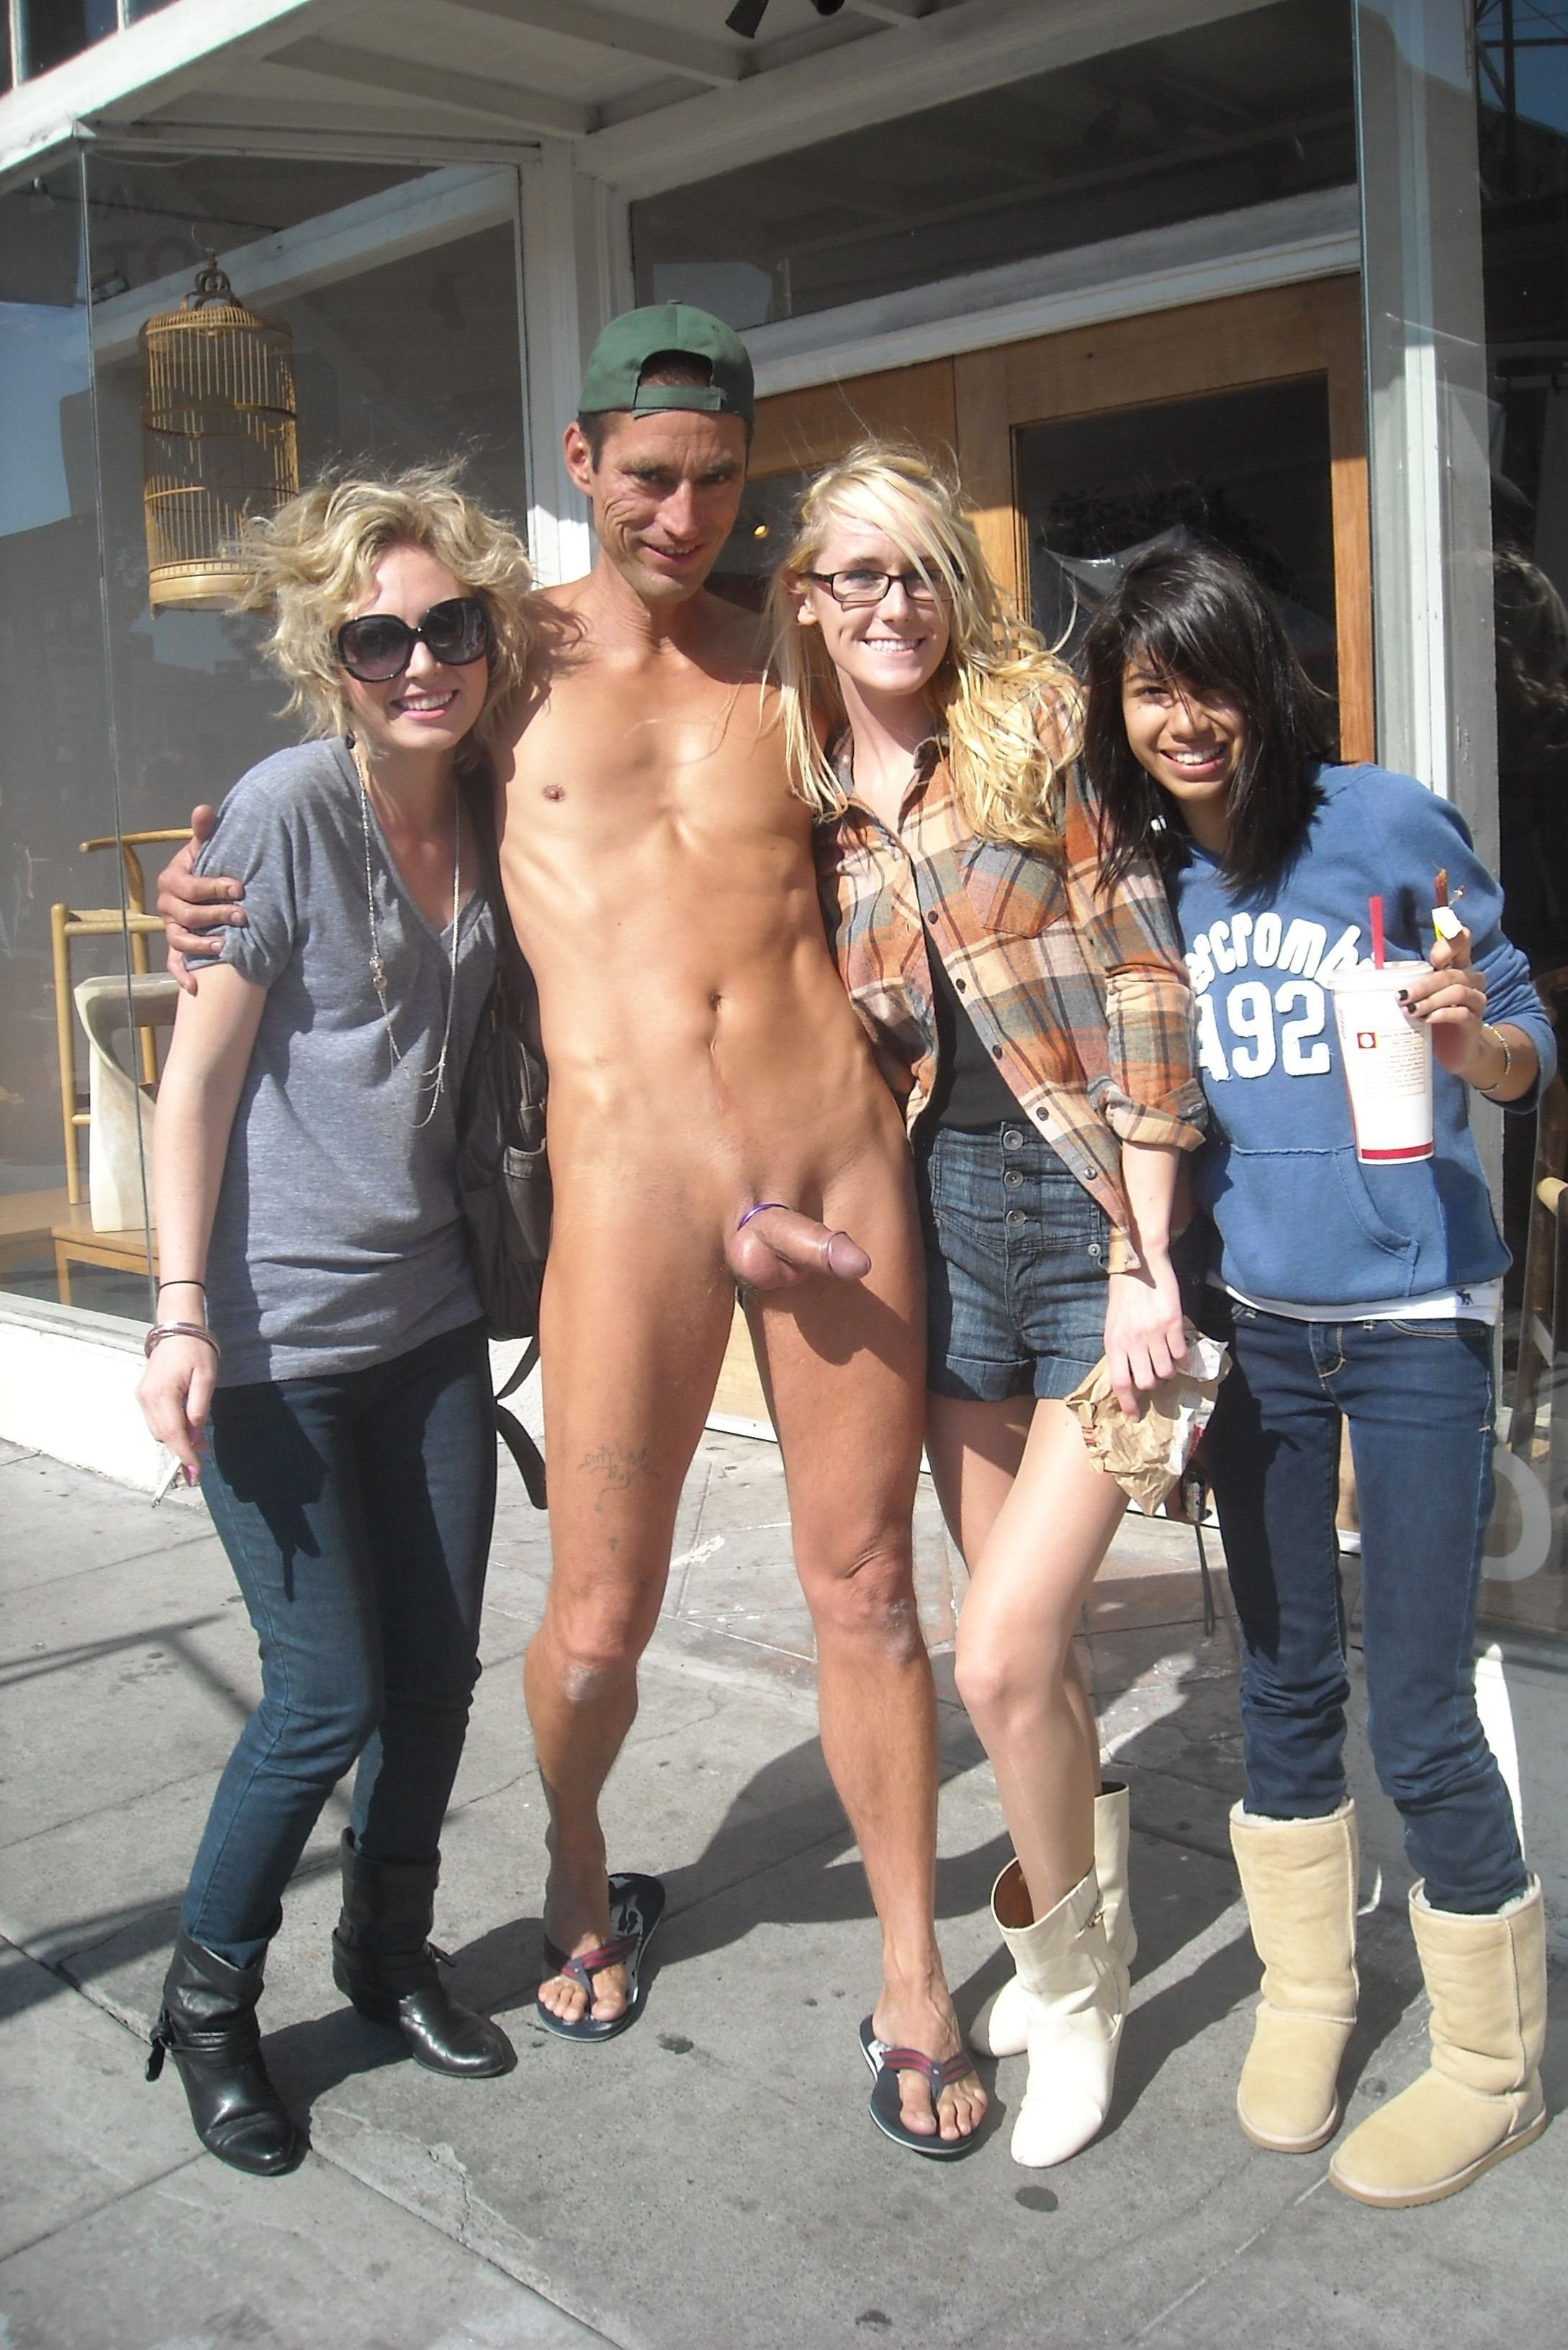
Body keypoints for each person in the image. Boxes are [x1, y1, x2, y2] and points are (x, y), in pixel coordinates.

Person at [157, 306, 986, 2153]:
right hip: (632, 1183)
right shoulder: (494, 660)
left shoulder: (799, 644)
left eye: (719, 479)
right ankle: (579, 1852)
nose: (685, 513)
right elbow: (348, 783)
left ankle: (915, 1972)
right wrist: (196, 883)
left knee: (869, 1588)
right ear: (582, 461)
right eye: (651, 476)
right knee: (599, 1626)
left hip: (833, 1155)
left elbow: (989, 769)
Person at [1081, 536, 1556, 2210]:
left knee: (1418, 1705)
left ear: (1268, 686)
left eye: (1211, 682)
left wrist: (1475, 1046)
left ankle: (1494, 2068)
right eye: (1152, 690)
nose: (1185, 720)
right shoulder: (1148, 879)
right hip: (1261, 1331)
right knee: (1283, 1685)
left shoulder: (1381, 824)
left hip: (1419, 1318)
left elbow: (1517, 1029)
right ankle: (1309, 1992)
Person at [775, 445, 1205, 2165]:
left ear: (956, 585)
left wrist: (1148, 1252)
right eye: (857, 575)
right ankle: (1088, 1927)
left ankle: (1076, 1992)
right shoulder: (799, 800)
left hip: (1091, 1217)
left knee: (1003, 1652)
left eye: (918, 572)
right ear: (809, 599)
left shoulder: (1035, 738)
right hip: (935, 1238)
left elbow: (1146, 975)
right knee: (1052, 1659)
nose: (891, 605)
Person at [136, 469, 537, 2176]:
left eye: (450, 627)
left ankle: (386, 1953)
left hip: (429, 1322)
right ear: (331, 658)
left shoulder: (504, 794)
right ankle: (209, 2005)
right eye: (379, 639)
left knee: (434, 1681)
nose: (420, 662)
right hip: (276, 1340)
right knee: (323, 1697)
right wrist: (177, 1313)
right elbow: (196, 1084)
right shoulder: (288, 809)